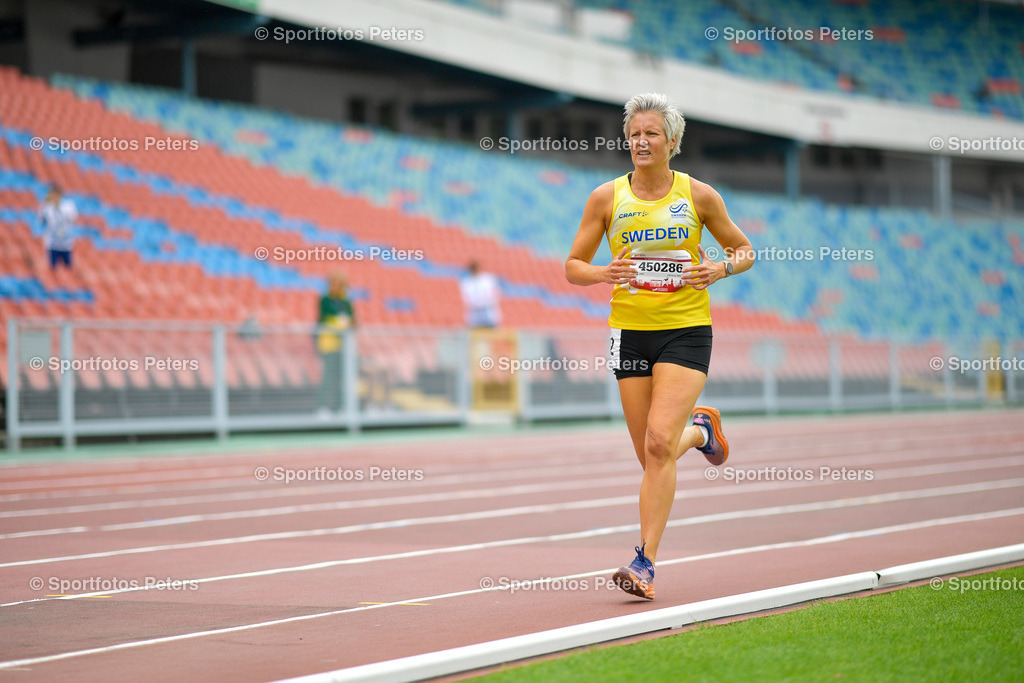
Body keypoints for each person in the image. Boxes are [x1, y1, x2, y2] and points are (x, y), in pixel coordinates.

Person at [565, 93, 755, 600]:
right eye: (633, 135)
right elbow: (573, 266)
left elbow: (744, 249)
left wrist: (721, 267)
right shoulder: (606, 198)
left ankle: (644, 562)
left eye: (650, 133)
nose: (641, 142)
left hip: (686, 329)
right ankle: (702, 429)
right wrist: (603, 271)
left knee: (655, 444)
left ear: (671, 140)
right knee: (652, 455)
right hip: (628, 333)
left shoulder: (700, 196)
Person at [317, 271, 356, 416]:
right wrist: (338, 324)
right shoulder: (325, 300)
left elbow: (353, 321)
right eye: (335, 284)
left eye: (340, 284)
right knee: (328, 376)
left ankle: (341, 408)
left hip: (343, 346)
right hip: (329, 345)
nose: (337, 287)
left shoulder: (345, 302)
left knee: (342, 378)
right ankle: (323, 407)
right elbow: (322, 319)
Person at [38, 185, 77, 270]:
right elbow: (41, 221)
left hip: (66, 243)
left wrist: (58, 208)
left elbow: (71, 219)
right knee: (53, 269)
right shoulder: (47, 207)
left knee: (68, 268)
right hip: (52, 243)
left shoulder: (68, 205)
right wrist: (45, 206)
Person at [459, 260, 502, 328]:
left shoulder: (488, 279)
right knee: (474, 332)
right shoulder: (467, 282)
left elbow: (495, 293)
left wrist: (489, 301)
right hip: (475, 311)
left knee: (492, 330)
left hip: (488, 310)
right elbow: (467, 298)